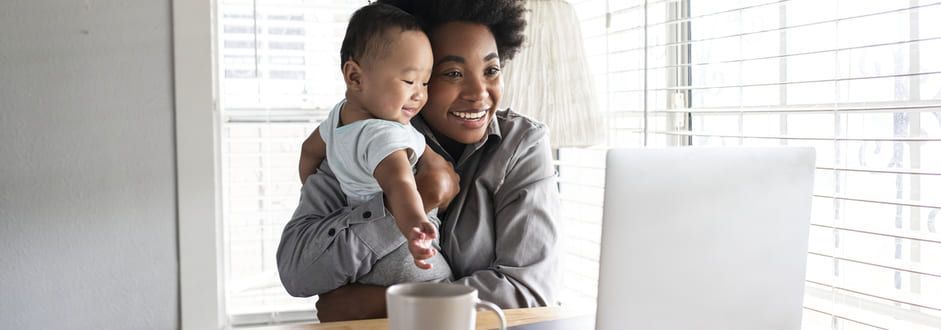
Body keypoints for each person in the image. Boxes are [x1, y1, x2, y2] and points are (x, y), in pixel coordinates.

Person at [277, 0, 561, 321]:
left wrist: (381, 303)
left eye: (491, 70)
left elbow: (528, 292)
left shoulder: (522, 144)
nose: (479, 92)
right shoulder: (360, 137)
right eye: (452, 73)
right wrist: (421, 198)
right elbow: (297, 270)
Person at [296, 3, 453, 288]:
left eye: (426, 83)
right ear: (355, 77)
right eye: (409, 81)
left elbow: (309, 150)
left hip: (359, 244)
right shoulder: (384, 138)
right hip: (399, 254)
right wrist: (416, 228)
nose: (419, 95)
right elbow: (400, 187)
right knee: (444, 288)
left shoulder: (337, 118)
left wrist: (310, 189)